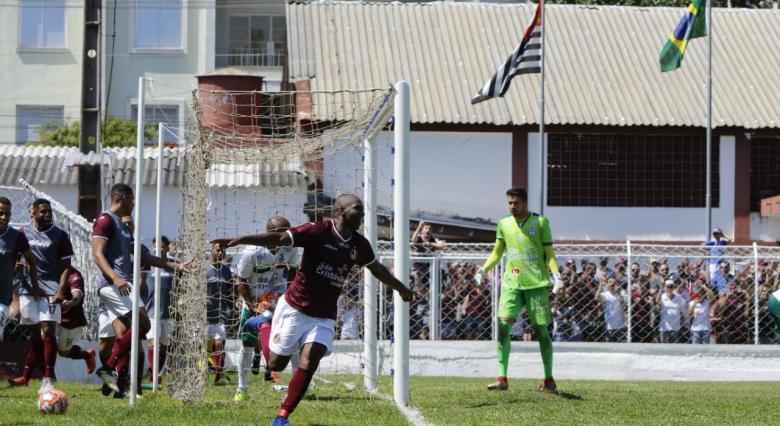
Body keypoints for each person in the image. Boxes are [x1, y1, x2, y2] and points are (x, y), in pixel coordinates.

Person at [212, 193, 416, 426]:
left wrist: (402, 289)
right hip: (294, 308)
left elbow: (376, 268)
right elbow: (279, 237)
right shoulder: (317, 231)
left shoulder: (360, 244)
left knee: (311, 360)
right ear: (340, 211)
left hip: (324, 315)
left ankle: (281, 417)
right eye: (357, 209)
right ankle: (263, 324)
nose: (362, 214)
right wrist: (240, 239)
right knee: (274, 364)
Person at [92, 183, 184, 398]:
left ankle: (119, 384)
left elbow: (144, 256)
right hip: (113, 286)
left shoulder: (123, 228)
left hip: (122, 286)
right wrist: (115, 278)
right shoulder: (105, 220)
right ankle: (109, 369)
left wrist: (175, 265)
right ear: (123, 197)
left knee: (129, 336)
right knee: (144, 324)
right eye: (132, 200)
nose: (134, 205)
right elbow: (97, 254)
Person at [474, 187, 563, 392]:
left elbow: (549, 254)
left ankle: (548, 379)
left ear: (525, 203)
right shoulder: (504, 223)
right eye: (509, 203)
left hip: (537, 285)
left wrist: (557, 277)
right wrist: (482, 270)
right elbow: (497, 253)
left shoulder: (540, 222)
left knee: (541, 332)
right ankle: (502, 377)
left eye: (516, 203)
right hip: (511, 284)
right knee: (503, 328)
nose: (512, 206)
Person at [231, 216, 300, 402]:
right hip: (253, 301)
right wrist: (253, 306)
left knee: (293, 342)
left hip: (279, 301)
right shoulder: (252, 252)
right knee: (247, 345)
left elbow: (293, 271)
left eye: (289, 230)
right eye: (283, 231)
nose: (288, 234)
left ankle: (297, 389)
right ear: (270, 234)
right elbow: (242, 281)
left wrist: (289, 294)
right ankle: (241, 389)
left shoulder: (291, 247)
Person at [10, 198, 73, 393]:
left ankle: (48, 378)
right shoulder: (22, 233)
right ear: (34, 213)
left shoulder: (60, 235)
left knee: (48, 330)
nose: (47, 215)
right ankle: (27, 376)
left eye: (49, 211)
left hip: (50, 291)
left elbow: (66, 267)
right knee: (35, 333)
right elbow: (13, 259)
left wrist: (61, 290)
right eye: (43, 212)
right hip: (28, 290)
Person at [0, 197, 40, 346]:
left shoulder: (17, 237)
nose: (4, 217)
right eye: (1, 213)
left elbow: (30, 259)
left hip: (2, 298)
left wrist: (35, 286)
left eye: (8, 214)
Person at [144, 235, 176, 384]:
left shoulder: (173, 265)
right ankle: (155, 373)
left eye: (162, 246)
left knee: (163, 347)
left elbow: (180, 285)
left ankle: (154, 375)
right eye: (156, 246)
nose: (159, 249)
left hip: (168, 313)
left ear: (167, 248)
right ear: (153, 247)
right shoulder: (147, 264)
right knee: (152, 342)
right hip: (151, 312)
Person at [207, 242, 233, 386]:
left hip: (221, 314)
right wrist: (202, 298)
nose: (221, 252)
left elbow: (229, 290)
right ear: (211, 251)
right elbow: (195, 288)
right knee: (204, 347)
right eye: (218, 249)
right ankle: (199, 375)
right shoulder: (204, 269)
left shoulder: (226, 270)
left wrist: (234, 302)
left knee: (219, 344)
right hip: (204, 315)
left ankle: (218, 376)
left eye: (223, 250)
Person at [595, 277, 626, 342]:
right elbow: (596, 298)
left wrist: (619, 292)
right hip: (609, 326)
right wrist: (600, 285)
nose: (612, 284)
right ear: (607, 284)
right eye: (610, 282)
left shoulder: (621, 294)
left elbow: (624, 304)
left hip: (620, 325)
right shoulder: (605, 295)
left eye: (614, 283)